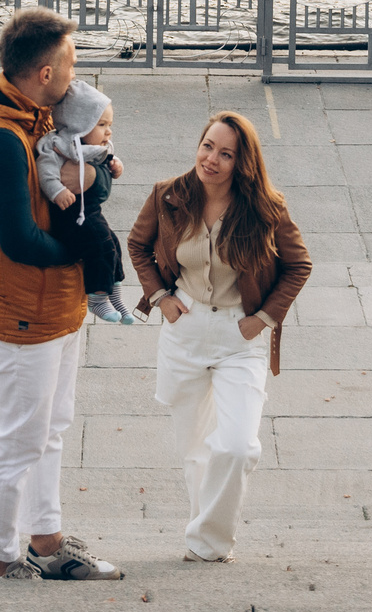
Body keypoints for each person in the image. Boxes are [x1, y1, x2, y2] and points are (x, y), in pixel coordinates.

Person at [0, 8, 124, 582]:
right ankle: (1, 559)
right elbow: (21, 242)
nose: (76, 79)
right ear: (45, 73)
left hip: (57, 307)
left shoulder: (34, 115)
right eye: (70, 66)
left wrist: (93, 181)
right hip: (21, 314)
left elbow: (83, 180)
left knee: (50, 429)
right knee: (17, 442)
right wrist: (86, 256)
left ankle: (46, 544)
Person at [126, 112, 312, 563]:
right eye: (207, 146)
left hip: (238, 334)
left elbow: (298, 265)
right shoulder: (168, 195)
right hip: (185, 330)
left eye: (225, 153)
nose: (211, 159)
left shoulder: (266, 207)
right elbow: (137, 245)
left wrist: (264, 318)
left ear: (241, 163)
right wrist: (160, 298)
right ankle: (205, 546)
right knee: (195, 450)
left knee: (236, 446)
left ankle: (209, 538)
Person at [34, 79, 136, 324]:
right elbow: (45, 171)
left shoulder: (92, 145)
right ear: (81, 125)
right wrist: (57, 191)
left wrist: (115, 166)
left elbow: (103, 161)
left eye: (109, 124)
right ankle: (97, 297)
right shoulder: (58, 146)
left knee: (113, 242)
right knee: (99, 245)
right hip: (69, 215)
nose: (108, 131)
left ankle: (115, 291)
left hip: (89, 210)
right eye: (101, 124)